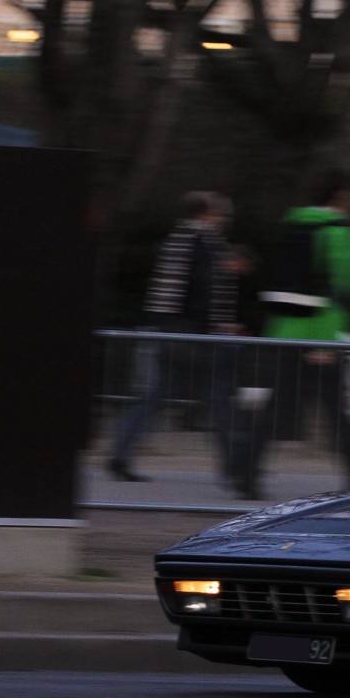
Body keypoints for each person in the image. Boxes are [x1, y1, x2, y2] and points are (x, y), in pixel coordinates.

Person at [235, 169, 350, 498]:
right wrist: (327, 342)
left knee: (277, 408)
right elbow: (341, 293)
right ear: (343, 194)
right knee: (337, 410)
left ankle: (246, 476)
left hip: (285, 331)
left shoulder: (292, 226)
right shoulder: (341, 233)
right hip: (320, 336)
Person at [107, 191, 247, 483]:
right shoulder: (202, 245)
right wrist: (219, 324)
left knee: (158, 395)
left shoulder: (180, 241)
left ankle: (120, 454)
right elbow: (204, 291)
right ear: (204, 214)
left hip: (177, 331)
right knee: (218, 399)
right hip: (195, 334)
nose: (224, 218)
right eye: (219, 212)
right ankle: (236, 466)